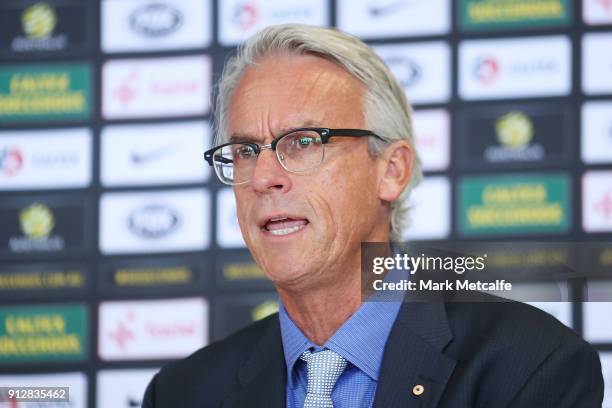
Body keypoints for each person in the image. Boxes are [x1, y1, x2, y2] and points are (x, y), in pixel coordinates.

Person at [142, 24, 603, 407]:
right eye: (244, 151)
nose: (263, 177)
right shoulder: (183, 393)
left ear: (391, 170)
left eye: (303, 142)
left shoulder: (530, 367)